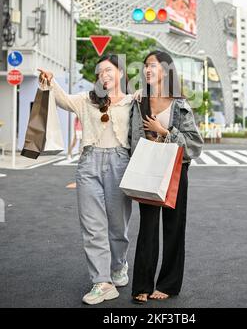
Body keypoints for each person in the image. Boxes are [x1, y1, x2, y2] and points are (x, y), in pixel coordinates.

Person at [38, 54, 133, 305]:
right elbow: (62, 101)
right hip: (89, 164)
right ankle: (102, 282)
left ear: (121, 73)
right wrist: (51, 81)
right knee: (92, 225)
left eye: (109, 70)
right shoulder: (86, 100)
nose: (104, 74)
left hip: (120, 164)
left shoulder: (133, 101)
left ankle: (119, 264)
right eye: (100, 71)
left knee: (117, 224)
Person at [129, 50, 204, 304]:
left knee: (173, 227)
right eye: (145, 66)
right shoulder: (139, 100)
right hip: (147, 168)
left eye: (152, 66)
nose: (147, 70)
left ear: (165, 70)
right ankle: (142, 284)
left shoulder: (180, 104)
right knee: (147, 228)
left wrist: (165, 131)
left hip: (175, 170)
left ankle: (169, 284)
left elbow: (195, 145)